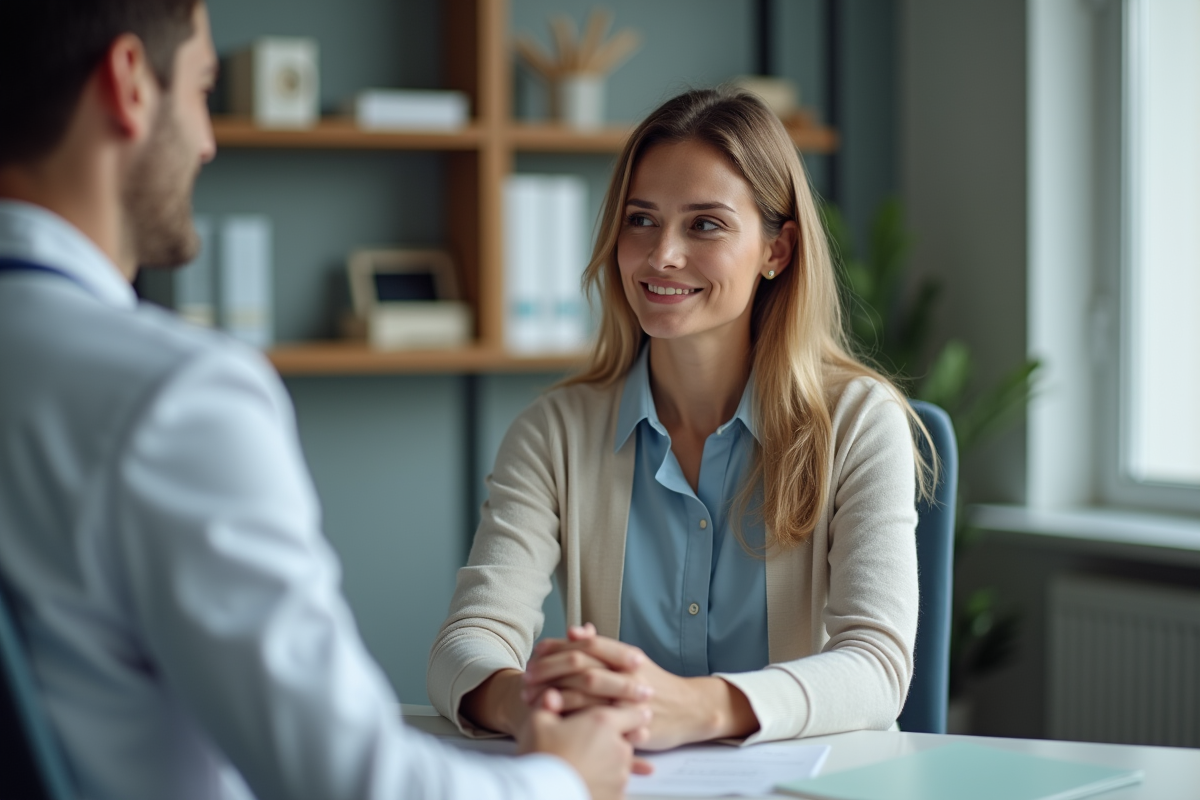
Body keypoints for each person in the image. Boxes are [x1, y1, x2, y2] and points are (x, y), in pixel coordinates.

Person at [0, 2, 651, 799]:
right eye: (204, 90)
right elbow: (354, 785)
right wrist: (565, 777)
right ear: (131, 83)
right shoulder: (174, 397)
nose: (207, 142)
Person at [428, 87, 932, 749]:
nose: (661, 254)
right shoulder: (553, 432)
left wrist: (696, 708)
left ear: (777, 250)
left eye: (705, 224)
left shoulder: (860, 423)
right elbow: (466, 643)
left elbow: (876, 667)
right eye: (641, 220)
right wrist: (533, 706)